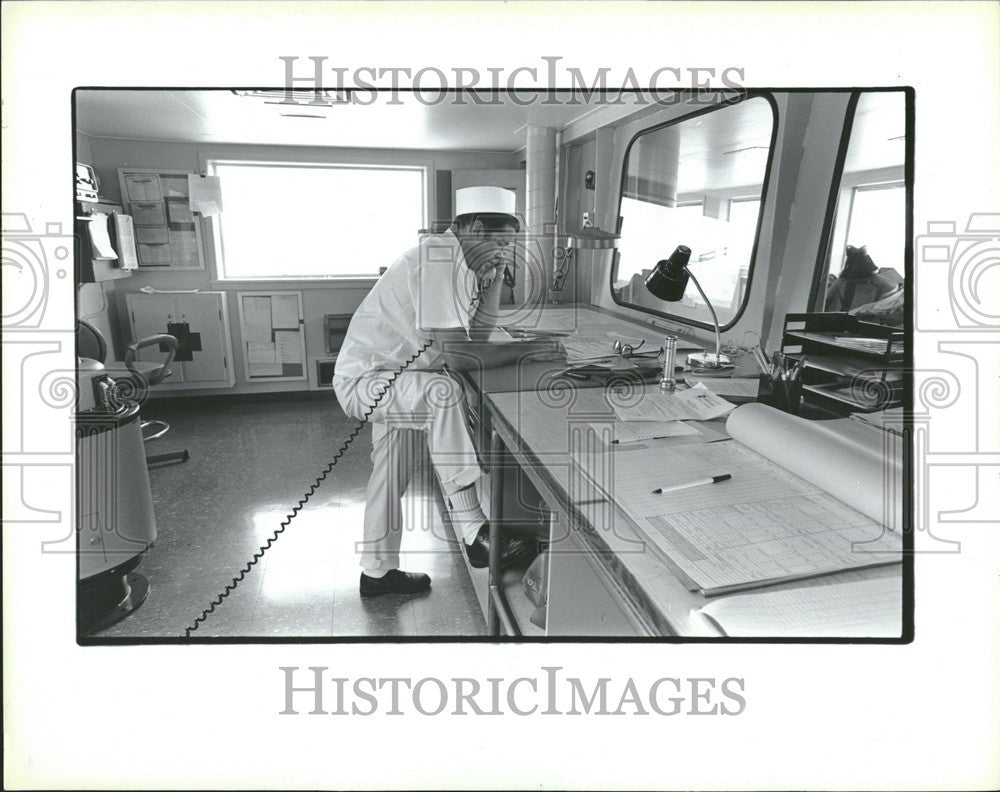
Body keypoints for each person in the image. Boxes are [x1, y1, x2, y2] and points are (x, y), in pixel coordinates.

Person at [332, 186, 561, 597]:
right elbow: (457, 357)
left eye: (509, 246)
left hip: (396, 377)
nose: (502, 251)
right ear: (471, 228)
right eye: (498, 242)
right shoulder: (439, 258)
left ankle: (377, 573)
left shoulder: (465, 264)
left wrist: (494, 279)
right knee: (443, 393)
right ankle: (475, 531)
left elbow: (479, 335)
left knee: (390, 474)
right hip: (369, 381)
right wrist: (529, 349)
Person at [825, 245, 901, 312]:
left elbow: (893, 288)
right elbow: (825, 300)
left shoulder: (879, 286)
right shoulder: (841, 283)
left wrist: (872, 277)